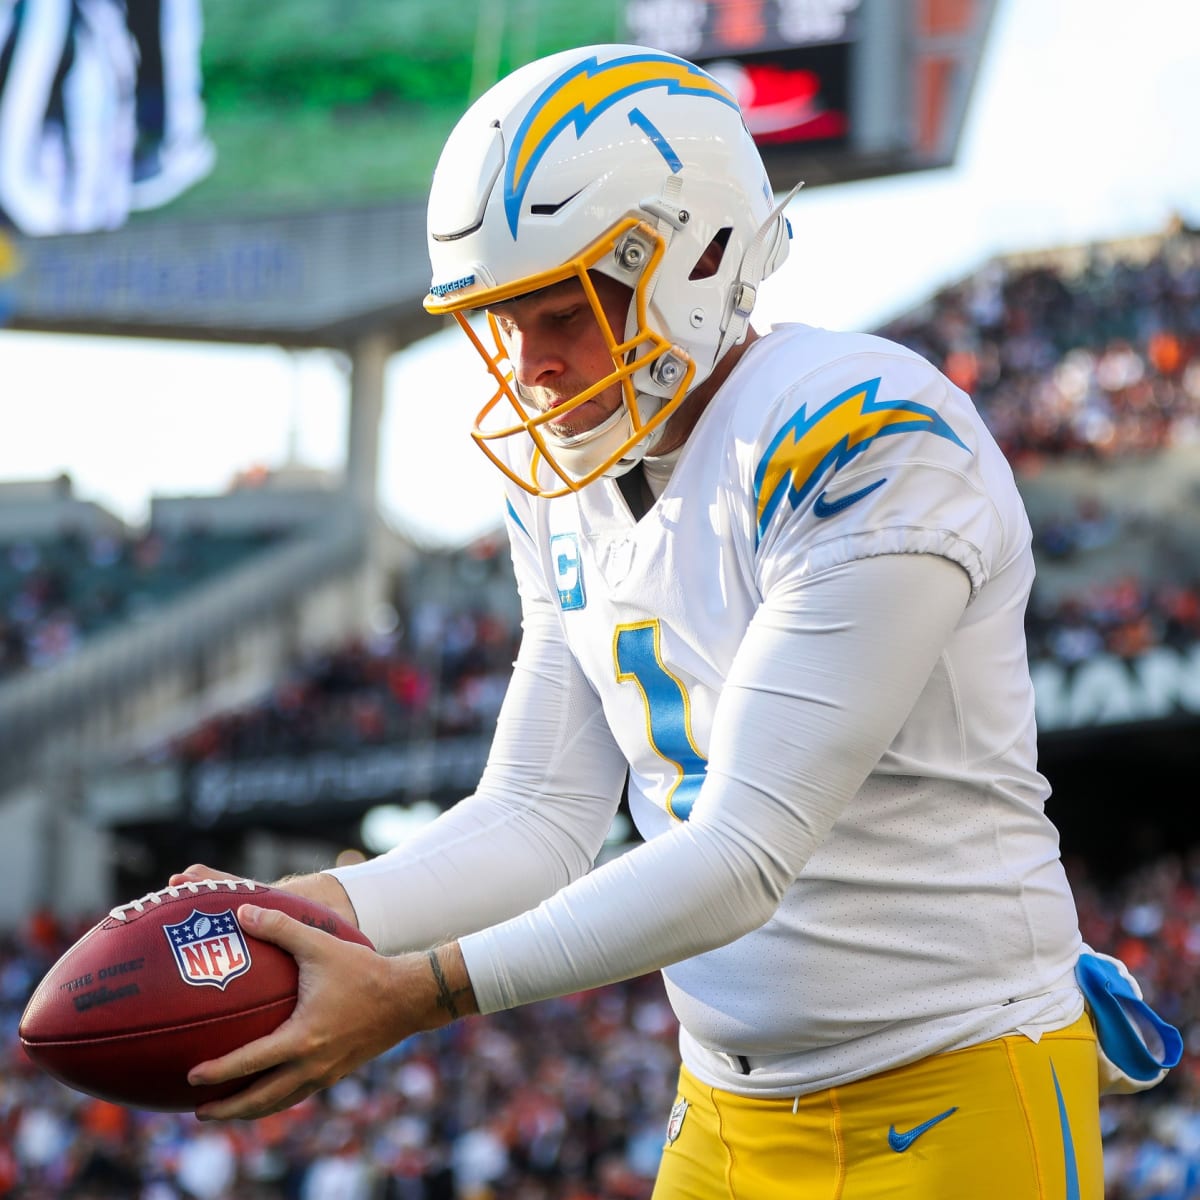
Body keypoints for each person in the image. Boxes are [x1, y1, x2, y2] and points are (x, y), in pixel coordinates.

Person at [169, 44, 1176, 1198]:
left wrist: (422, 989)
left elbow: (742, 856)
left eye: (558, 313)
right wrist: (314, 912)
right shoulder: (562, 479)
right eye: (502, 323)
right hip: (724, 1109)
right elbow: (538, 812)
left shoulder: (864, 434)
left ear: (696, 257)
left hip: (951, 1087)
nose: (529, 368)